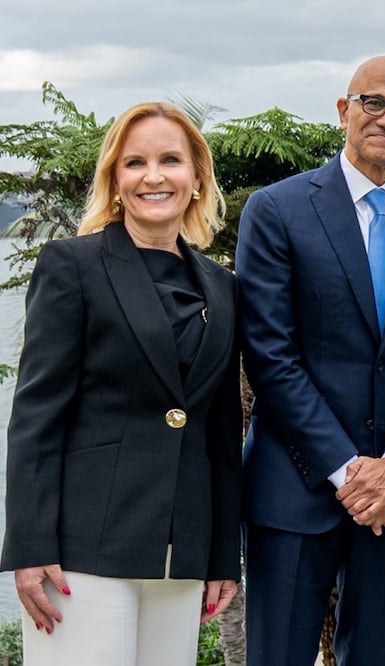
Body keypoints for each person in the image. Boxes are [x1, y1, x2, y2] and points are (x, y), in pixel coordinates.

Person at [236, 54, 385, 666]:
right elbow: (270, 354)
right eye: (374, 103)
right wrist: (347, 470)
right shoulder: (276, 209)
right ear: (344, 111)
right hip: (292, 487)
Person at [1, 102, 241, 665]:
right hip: (82, 553)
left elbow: (220, 434)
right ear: (114, 179)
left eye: (170, 160)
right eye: (135, 162)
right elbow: (36, 417)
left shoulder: (223, 286)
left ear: (197, 176)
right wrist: (29, 548)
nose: (153, 176)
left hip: (181, 556)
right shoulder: (71, 266)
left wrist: (222, 557)